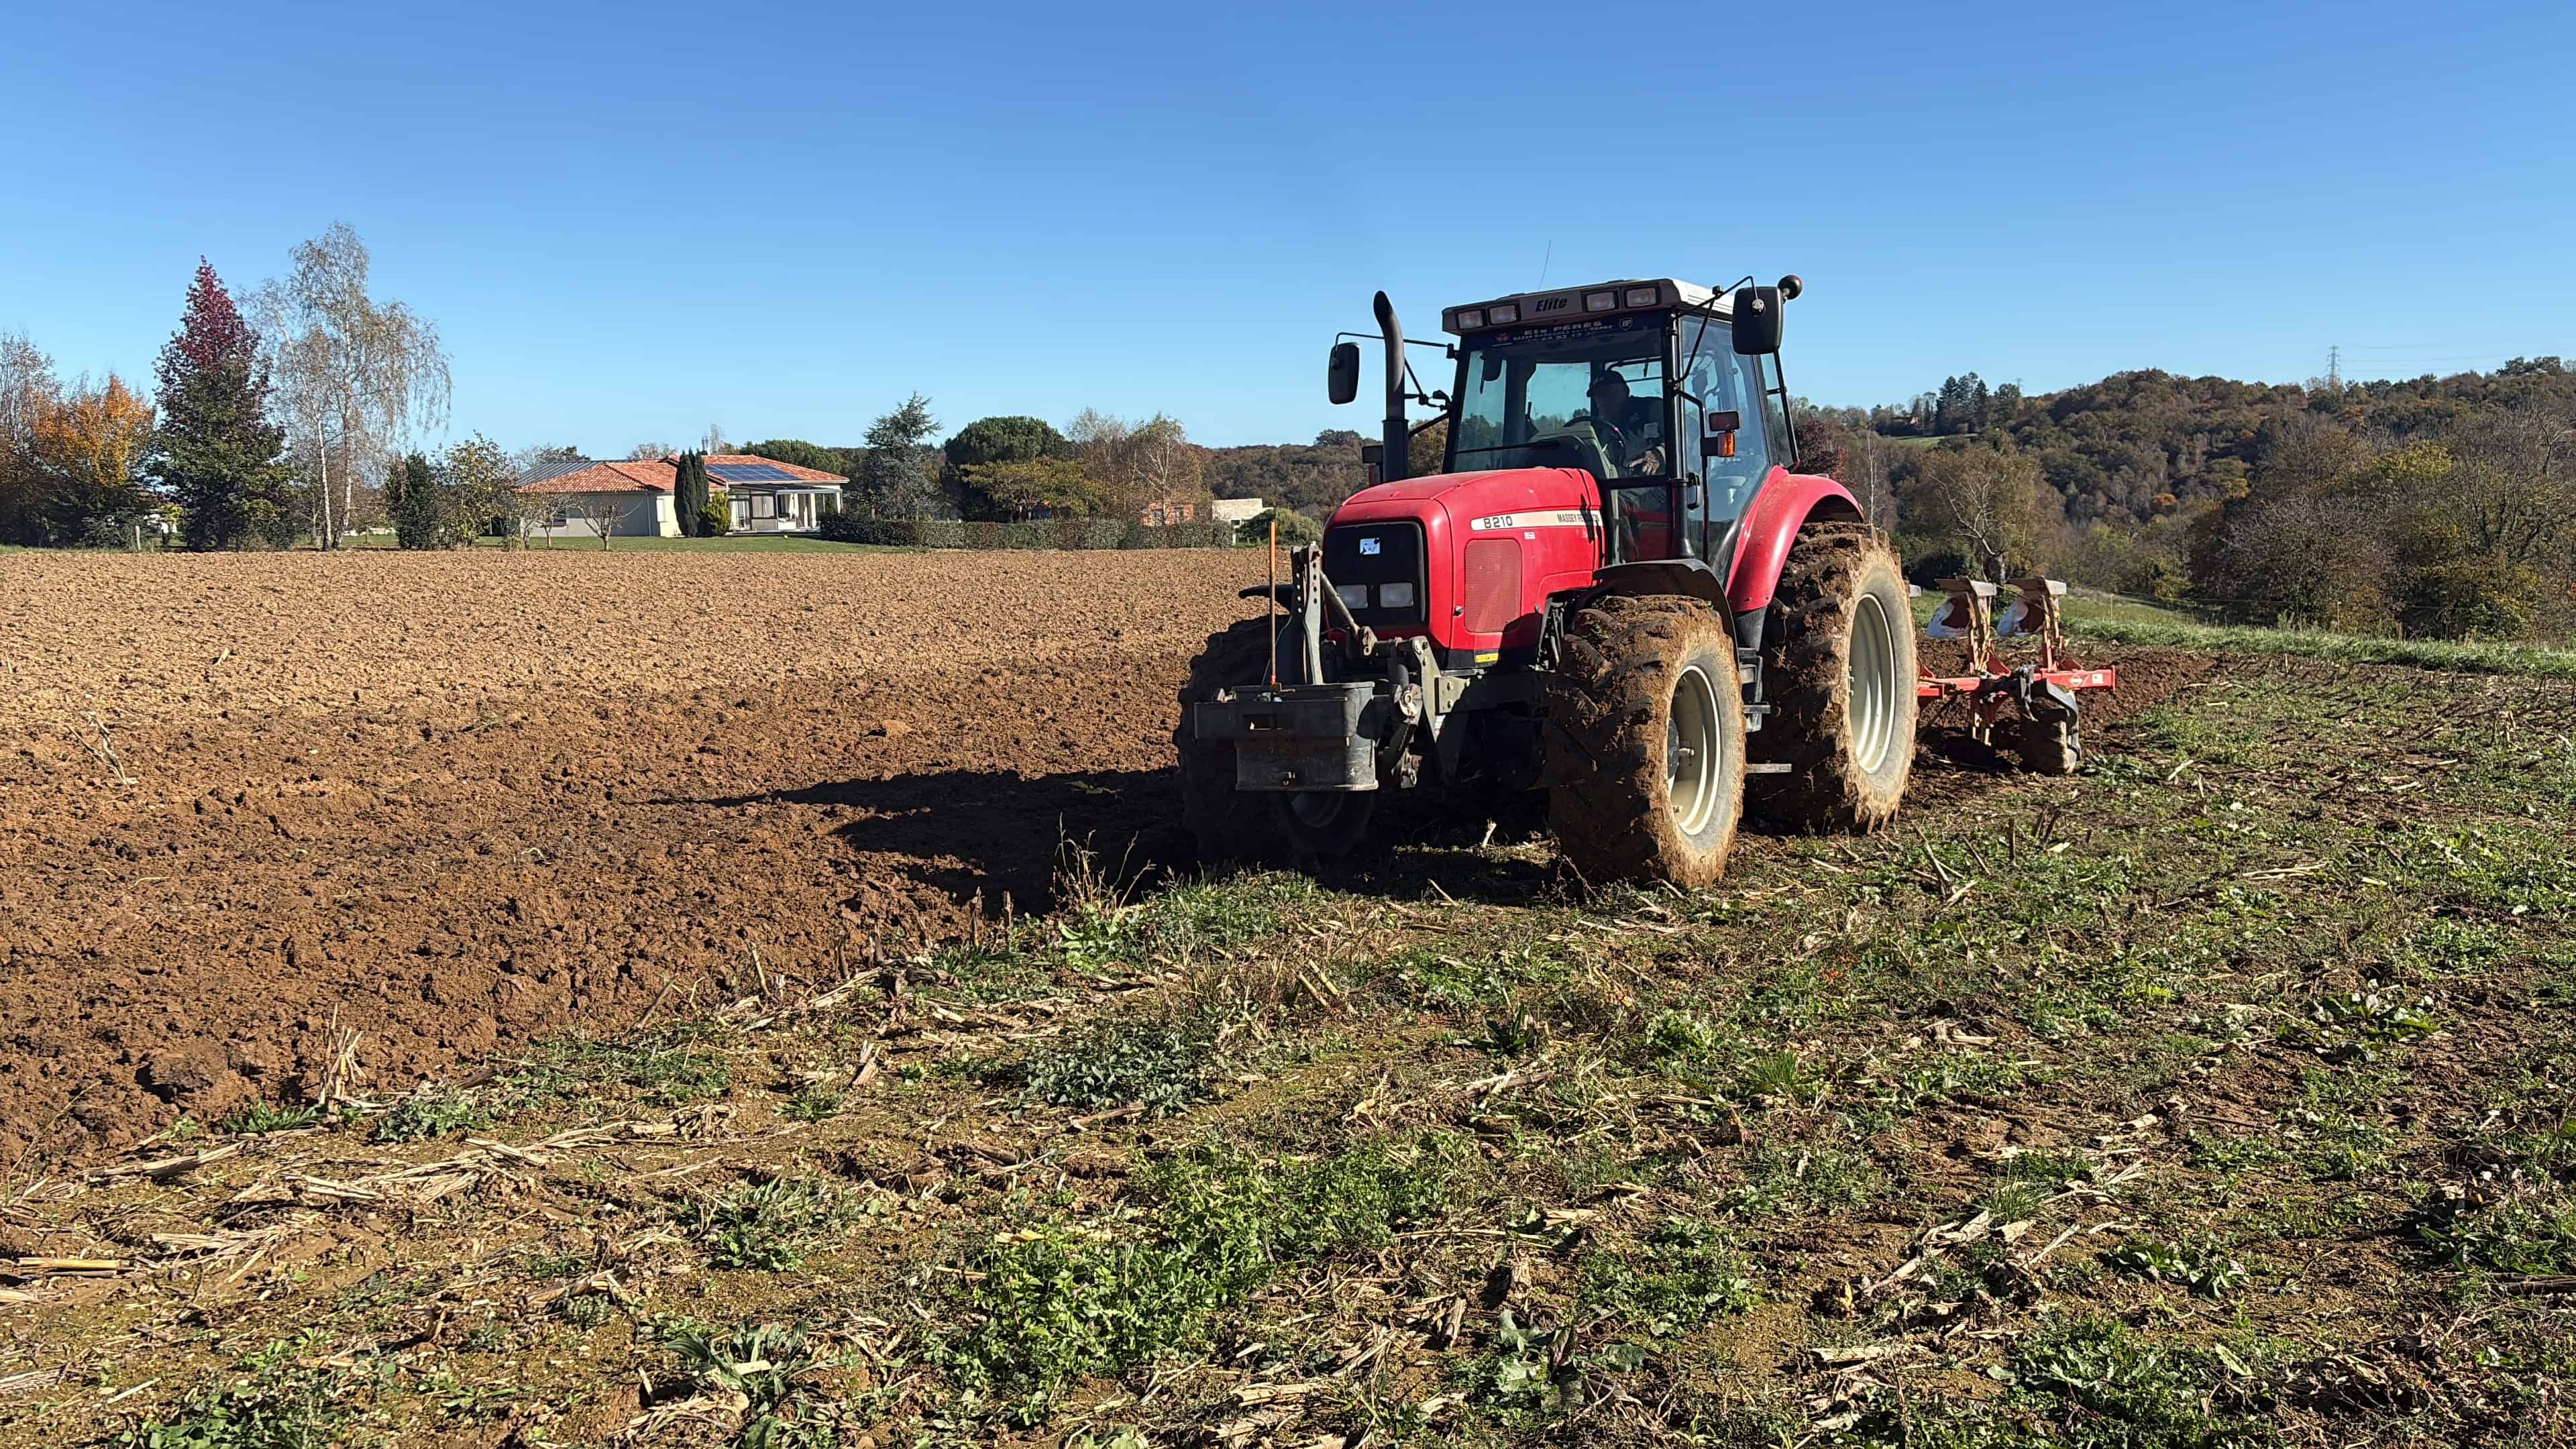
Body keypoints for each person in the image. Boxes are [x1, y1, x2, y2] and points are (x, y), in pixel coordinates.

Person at [1578, 370, 1665, 476]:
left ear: (1626, 391)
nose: (1603, 400)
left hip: (1653, 483)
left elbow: (1683, 442)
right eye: (1598, 395)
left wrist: (1659, 455)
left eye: (1609, 392)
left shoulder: (1651, 409)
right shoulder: (1599, 429)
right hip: (1614, 484)